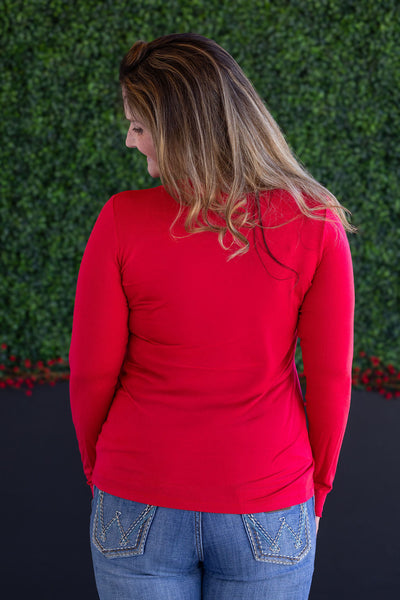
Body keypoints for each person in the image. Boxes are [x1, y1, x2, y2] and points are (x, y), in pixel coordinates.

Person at [69, 33, 355, 600]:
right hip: (269, 496)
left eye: (139, 126)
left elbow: (90, 374)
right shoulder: (315, 221)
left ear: (181, 128)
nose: (130, 141)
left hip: (137, 490)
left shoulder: (121, 219)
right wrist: (318, 491)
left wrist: (101, 471)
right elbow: (330, 381)